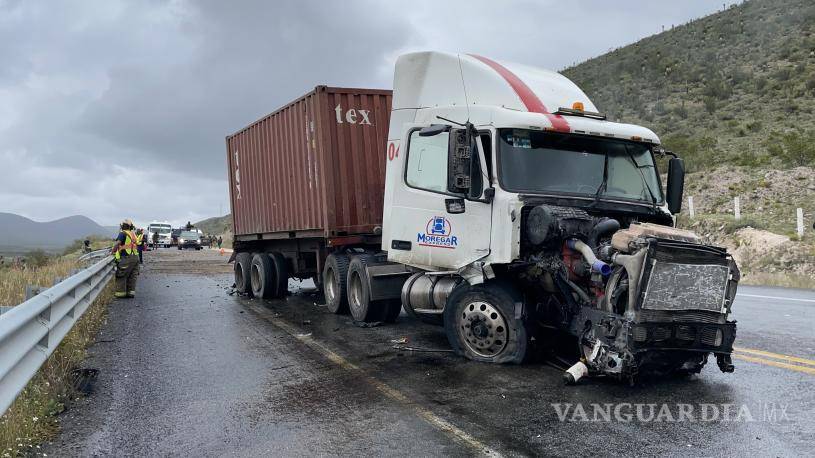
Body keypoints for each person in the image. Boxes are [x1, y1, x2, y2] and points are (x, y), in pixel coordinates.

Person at [112, 219, 140, 298]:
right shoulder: (133, 234)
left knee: (121, 275)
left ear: (122, 226)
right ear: (131, 226)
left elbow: (118, 243)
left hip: (126, 258)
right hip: (135, 258)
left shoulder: (122, 233)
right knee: (132, 276)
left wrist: (112, 251)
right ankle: (130, 293)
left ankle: (120, 294)